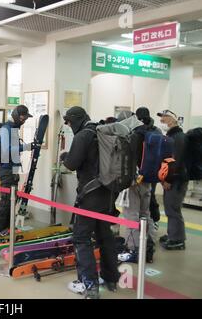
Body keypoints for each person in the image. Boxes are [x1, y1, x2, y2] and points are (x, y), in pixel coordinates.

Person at [60, 106, 120, 299]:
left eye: (68, 122)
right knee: (105, 234)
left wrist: (64, 157)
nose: (68, 126)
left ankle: (89, 285)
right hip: (108, 193)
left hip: (90, 195)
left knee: (81, 237)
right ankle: (110, 279)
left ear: (74, 120)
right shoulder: (101, 131)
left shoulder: (82, 136)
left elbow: (71, 164)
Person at [117, 107, 159, 263]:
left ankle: (133, 250)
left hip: (135, 181)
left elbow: (129, 160)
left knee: (131, 215)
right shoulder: (155, 131)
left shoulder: (135, 135)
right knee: (145, 214)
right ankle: (149, 248)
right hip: (149, 180)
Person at [0, 105, 33, 236]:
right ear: (16, 115)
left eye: (26, 117)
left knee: (11, 200)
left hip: (12, 170)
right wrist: (26, 147)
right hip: (6, 170)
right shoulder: (6, 129)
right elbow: (6, 151)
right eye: (23, 117)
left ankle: (6, 226)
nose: (24, 120)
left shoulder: (13, 129)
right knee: (6, 199)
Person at [157, 109, 188, 250]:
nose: (162, 120)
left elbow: (176, 161)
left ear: (173, 119)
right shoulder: (172, 136)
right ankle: (173, 234)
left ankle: (177, 240)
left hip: (176, 179)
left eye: (165, 117)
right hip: (173, 178)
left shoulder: (178, 137)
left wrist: (168, 179)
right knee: (170, 207)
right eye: (161, 118)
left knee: (173, 209)